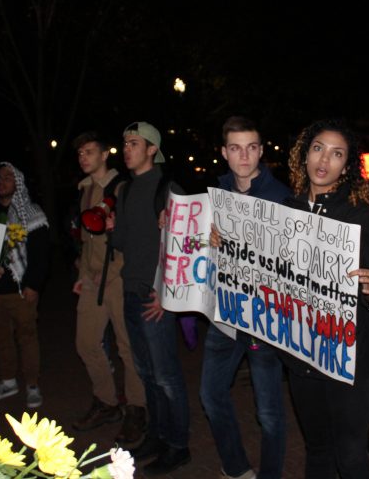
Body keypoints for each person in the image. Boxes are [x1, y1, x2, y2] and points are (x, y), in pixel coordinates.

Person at [283, 119, 369, 479]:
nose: (324, 159)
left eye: (337, 153)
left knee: (351, 454)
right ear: (304, 155)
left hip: (350, 357)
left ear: (347, 166)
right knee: (318, 449)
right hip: (302, 355)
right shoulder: (283, 214)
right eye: (318, 148)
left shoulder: (363, 218)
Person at [200, 116, 290, 479]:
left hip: (264, 320)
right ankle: (235, 466)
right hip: (224, 313)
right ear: (224, 152)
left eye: (252, 147)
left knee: (268, 411)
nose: (244, 156)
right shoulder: (215, 194)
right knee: (210, 395)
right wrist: (196, 232)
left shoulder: (282, 197)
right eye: (235, 148)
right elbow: (193, 246)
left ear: (261, 150)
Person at [110, 121, 190, 475]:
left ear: (152, 149)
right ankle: (157, 436)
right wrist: (112, 226)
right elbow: (125, 244)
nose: (126, 149)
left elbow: (189, 247)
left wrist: (167, 294)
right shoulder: (125, 190)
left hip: (156, 294)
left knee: (167, 376)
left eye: (134, 143)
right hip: (131, 291)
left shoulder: (168, 187)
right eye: (124, 143)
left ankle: (178, 445)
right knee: (146, 373)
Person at [71, 131, 147, 446]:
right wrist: (82, 270)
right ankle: (107, 400)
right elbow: (87, 238)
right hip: (92, 278)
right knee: (86, 342)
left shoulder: (122, 188)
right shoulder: (85, 189)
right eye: (80, 153)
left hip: (117, 277)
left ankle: (136, 408)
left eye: (89, 152)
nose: (83, 157)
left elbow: (131, 237)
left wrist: (112, 272)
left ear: (104, 155)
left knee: (128, 348)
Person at [0, 162, 49, 409]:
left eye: (9, 177)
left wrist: (33, 284)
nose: (3, 181)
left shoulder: (31, 213)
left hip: (22, 288)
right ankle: (8, 381)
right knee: (1, 338)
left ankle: (32, 384)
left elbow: (41, 254)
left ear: (18, 182)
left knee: (27, 337)